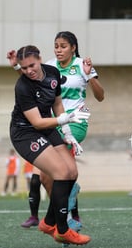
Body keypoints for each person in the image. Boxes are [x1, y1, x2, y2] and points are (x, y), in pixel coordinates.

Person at [13, 31, 104, 229]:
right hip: (53, 122)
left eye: (63, 46)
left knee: (62, 171)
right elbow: (30, 82)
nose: (59, 49)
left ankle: (68, 217)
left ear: (73, 47)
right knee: (44, 177)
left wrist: (90, 76)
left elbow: (100, 96)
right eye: (56, 46)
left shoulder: (82, 65)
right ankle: (64, 210)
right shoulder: (50, 66)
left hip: (75, 122)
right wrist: (16, 66)